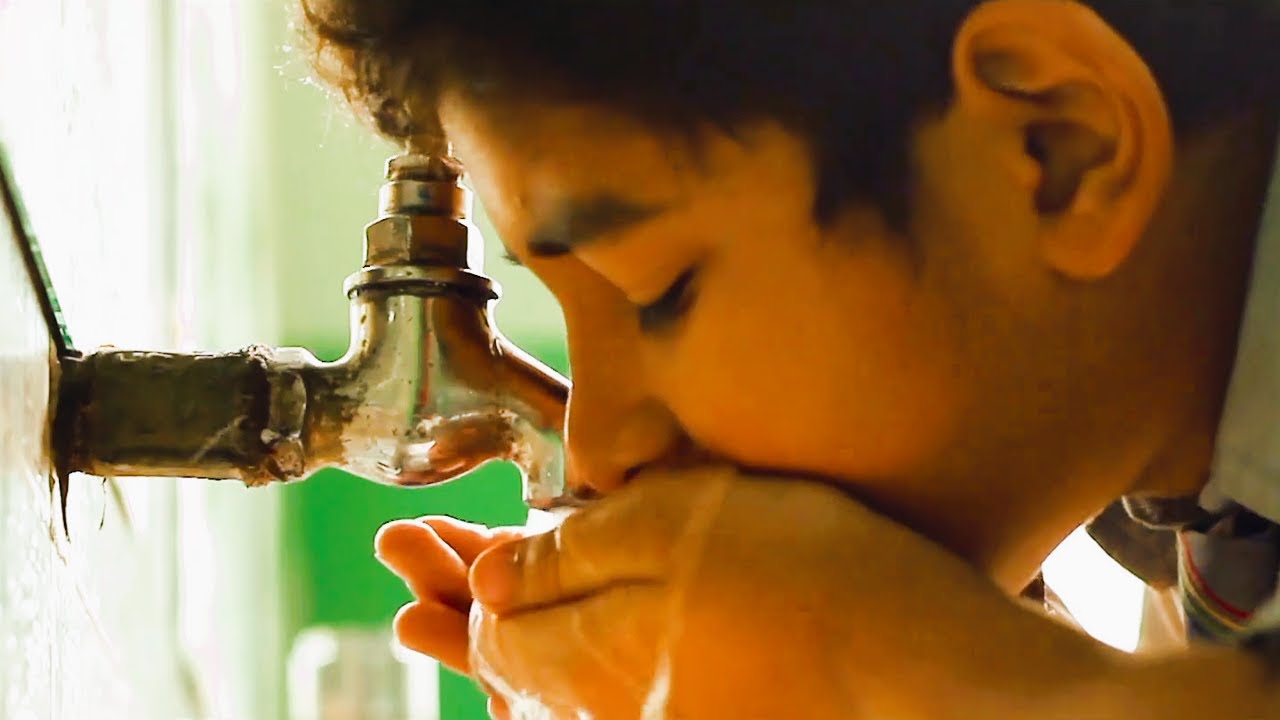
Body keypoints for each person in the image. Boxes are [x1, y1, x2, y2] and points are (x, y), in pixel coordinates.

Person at [301, 1, 1280, 717]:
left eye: (661, 291)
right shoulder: (1189, 505)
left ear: (1055, 150)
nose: (595, 446)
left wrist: (921, 676)